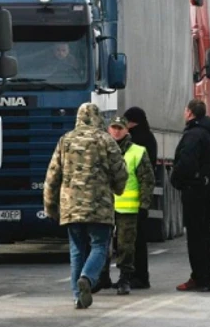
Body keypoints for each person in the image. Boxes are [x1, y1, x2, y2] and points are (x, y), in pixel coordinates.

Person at [43, 103, 128, 310]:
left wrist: (50, 206)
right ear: (99, 118)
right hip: (99, 206)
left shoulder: (65, 140)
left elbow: (52, 176)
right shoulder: (106, 140)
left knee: (76, 250)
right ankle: (87, 278)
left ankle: (77, 296)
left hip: (71, 206)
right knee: (99, 246)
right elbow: (120, 172)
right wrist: (118, 189)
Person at [102, 116, 155, 296]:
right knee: (102, 244)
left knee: (126, 246)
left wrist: (144, 205)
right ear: (109, 130)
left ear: (127, 130)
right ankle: (102, 277)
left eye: (120, 128)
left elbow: (147, 180)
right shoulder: (102, 150)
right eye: (113, 128)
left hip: (128, 208)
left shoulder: (138, 152)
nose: (116, 131)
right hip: (104, 207)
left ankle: (125, 278)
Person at [171, 99, 210, 292]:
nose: (184, 113)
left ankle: (199, 278)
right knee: (205, 234)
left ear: (190, 113)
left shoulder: (193, 135)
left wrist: (176, 179)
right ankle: (208, 276)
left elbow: (186, 163)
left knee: (195, 236)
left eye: (185, 110)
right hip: (208, 188)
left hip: (195, 190)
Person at [122, 106, 157, 289]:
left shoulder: (136, 140)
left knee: (134, 241)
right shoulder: (149, 137)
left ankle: (138, 276)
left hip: (132, 199)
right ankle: (139, 276)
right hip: (139, 198)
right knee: (137, 240)